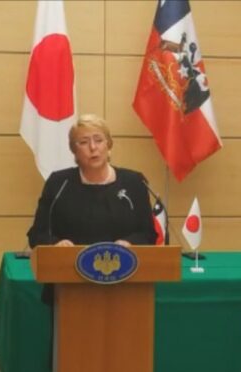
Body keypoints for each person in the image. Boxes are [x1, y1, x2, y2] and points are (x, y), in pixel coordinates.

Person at [27, 114, 157, 303]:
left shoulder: (134, 183)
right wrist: (56, 244)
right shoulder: (58, 184)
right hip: (69, 288)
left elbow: (148, 234)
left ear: (108, 145)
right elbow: (37, 234)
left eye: (98, 140)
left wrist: (130, 243)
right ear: (74, 150)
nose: (93, 148)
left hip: (126, 287)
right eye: (83, 142)